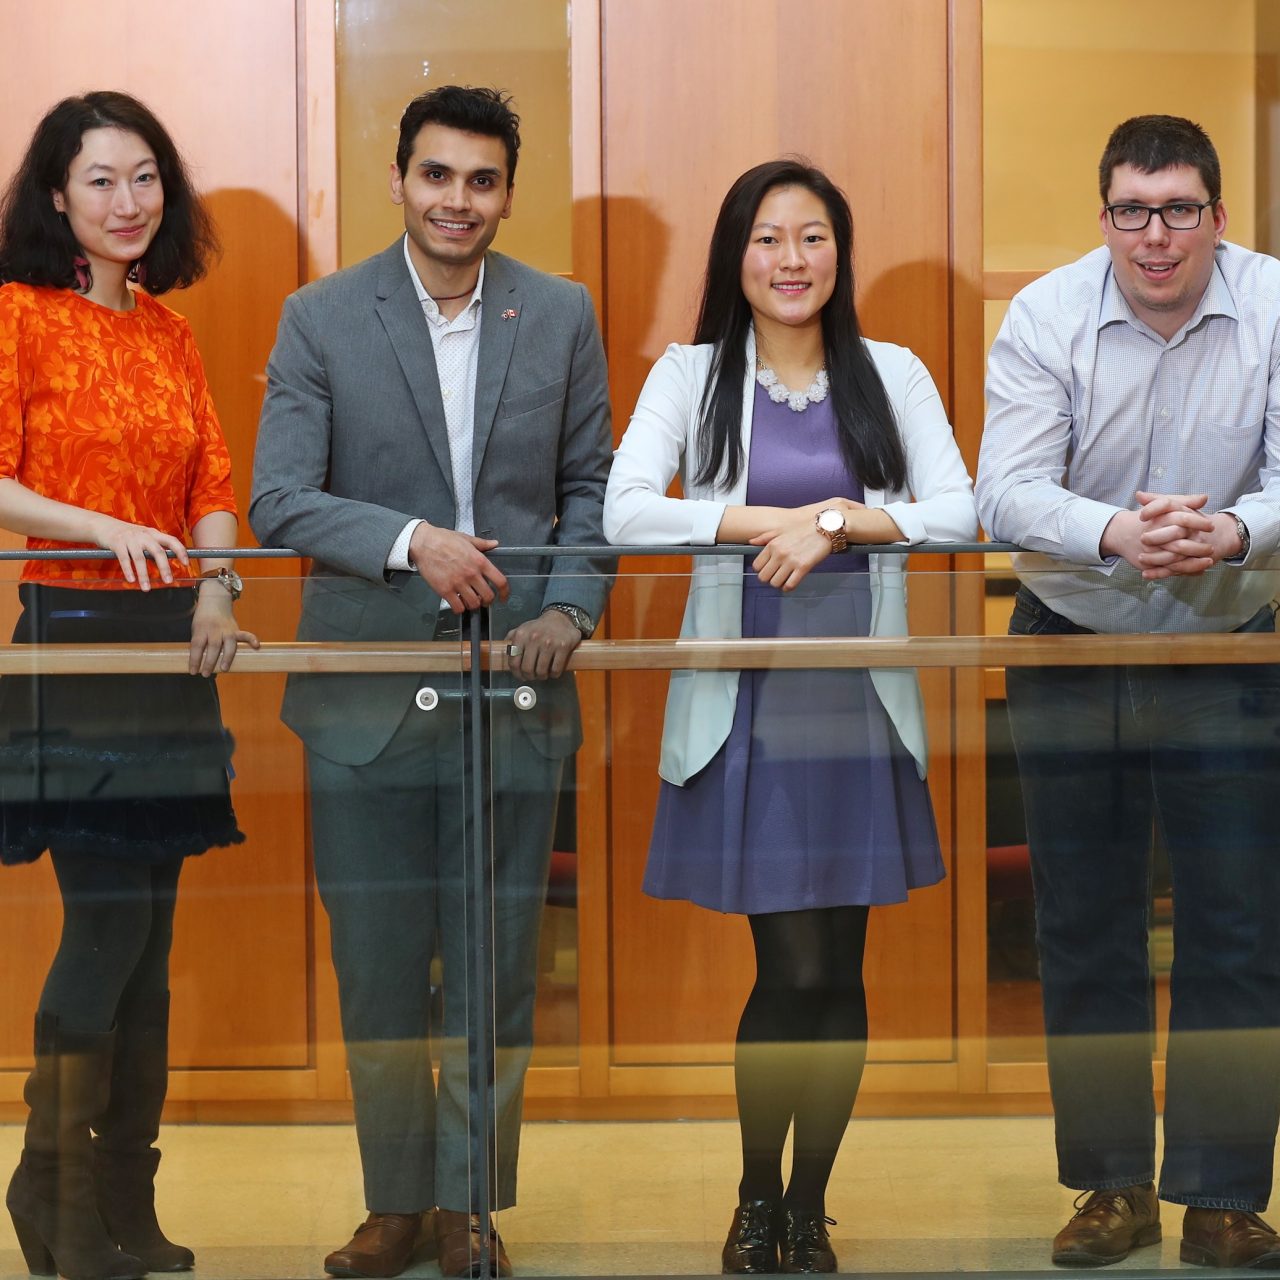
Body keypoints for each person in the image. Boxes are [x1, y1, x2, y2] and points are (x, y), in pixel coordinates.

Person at [250, 85, 611, 1279]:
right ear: (399, 179)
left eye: (482, 179)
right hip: (365, 700)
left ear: (508, 190)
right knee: (380, 965)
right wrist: (416, 541)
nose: (458, 200)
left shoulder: (557, 313)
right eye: (436, 175)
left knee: (498, 968)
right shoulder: (320, 316)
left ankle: (469, 1205)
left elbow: (590, 489)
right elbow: (281, 496)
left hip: (515, 690)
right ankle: (395, 1203)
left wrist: (568, 605)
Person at [604, 159, 976, 1275]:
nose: (789, 260)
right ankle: (754, 1193)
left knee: (839, 966)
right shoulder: (691, 373)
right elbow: (628, 510)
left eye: (810, 237)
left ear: (837, 253)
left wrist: (837, 522)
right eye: (767, 239)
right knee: (790, 968)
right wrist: (788, 515)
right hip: (748, 705)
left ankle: (807, 1205)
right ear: (736, 256)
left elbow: (958, 509)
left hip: (859, 705)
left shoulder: (889, 372)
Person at [977, 114, 1280, 1270]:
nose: (1154, 237)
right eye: (1130, 211)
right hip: (1072, 634)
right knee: (1082, 922)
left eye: (1178, 210)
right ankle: (1109, 1183)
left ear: (1215, 214)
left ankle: (1218, 1190)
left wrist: (1233, 528)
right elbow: (1005, 488)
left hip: (1226, 639)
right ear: (1101, 214)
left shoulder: (1267, 302)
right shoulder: (1046, 314)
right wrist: (1113, 530)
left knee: (1237, 923)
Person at [0, 92, 257, 1280]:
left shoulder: (166, 330)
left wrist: (216, 591)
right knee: (105, 923)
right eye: (101, 179)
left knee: (150, 943)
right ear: (57, 194)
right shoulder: (16, 315)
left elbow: (212, 471)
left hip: (172, 639)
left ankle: (124, 1198)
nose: (128, 202)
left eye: (145, 176)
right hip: (72, 637)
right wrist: (106, 524)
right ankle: (45, 1186)